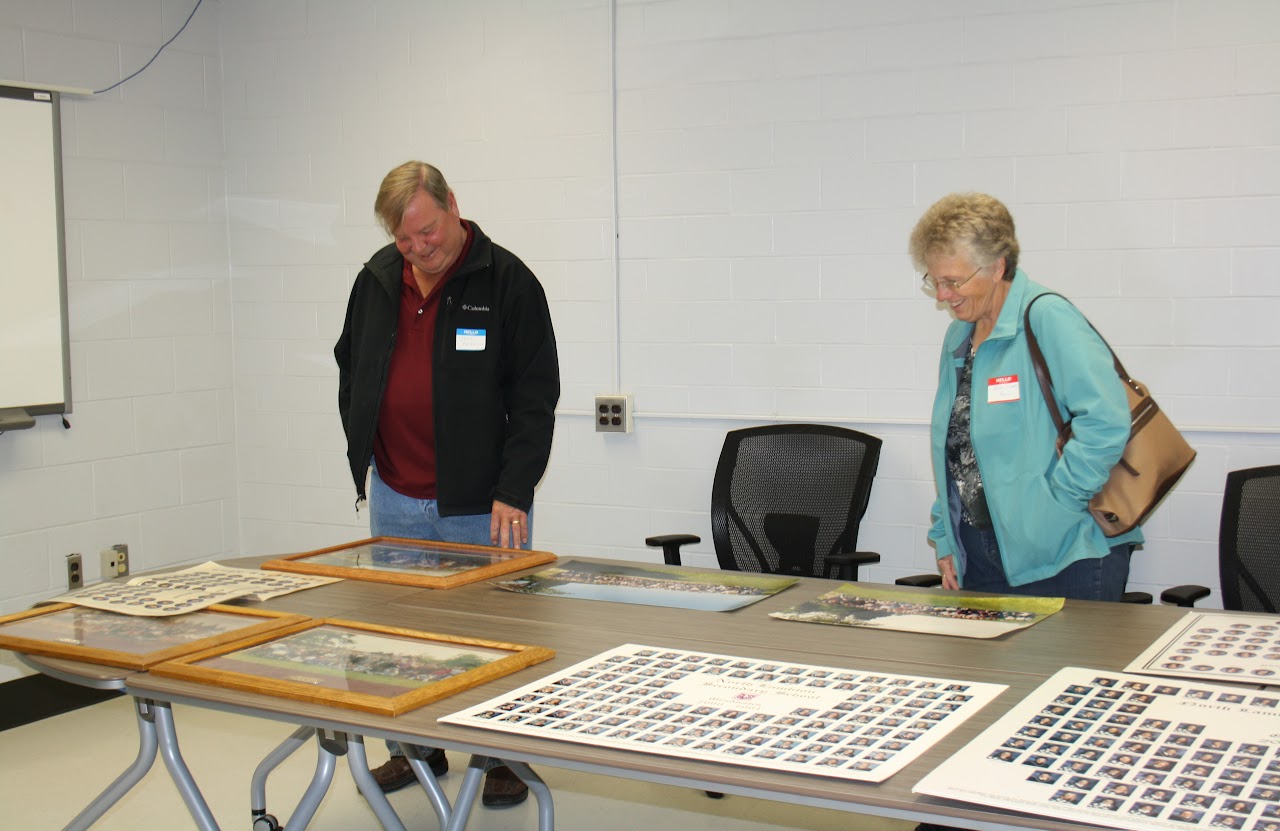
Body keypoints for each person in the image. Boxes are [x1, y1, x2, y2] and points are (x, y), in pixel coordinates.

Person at [335, 161, 560, 807]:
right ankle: (414, 748)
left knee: (494, 635)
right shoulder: (376, 279)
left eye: (427, 232)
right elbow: (350, 363)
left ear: (452, 206)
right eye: (405, 239)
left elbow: (536, 394)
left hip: (482, 499)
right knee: (400, 633)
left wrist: (514, 488)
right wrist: (366, 443)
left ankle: (501, 758)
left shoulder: (507, 280)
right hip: (396, 492)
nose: (418, 249)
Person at [909, 192, 1142, 601]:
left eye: (953, 281)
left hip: (1065, 554)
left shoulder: (1046, 317)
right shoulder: (959, 338)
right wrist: (945, 535)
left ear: (998, 266)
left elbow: (1106, 421)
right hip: (980, 555)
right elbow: (957, 448)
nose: (943, 295)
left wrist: (1056, 508)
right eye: (935, 281)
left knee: (1063, 667)